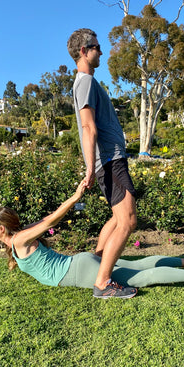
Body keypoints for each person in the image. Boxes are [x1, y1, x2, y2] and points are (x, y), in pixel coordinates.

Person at [0, 181, 184, 297]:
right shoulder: (18, 238)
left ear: (1, 228)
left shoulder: (19, 240)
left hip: (75, 272)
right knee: (136, 264)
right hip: (78, 263)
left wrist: (74, 198)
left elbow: (51, 220)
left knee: (139, 277)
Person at [67, 28, 138, 298]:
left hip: (110, 159)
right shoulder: (84, 81)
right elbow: (88, 127)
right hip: (108, 160)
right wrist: (90, 168)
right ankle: (103, 282)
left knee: (118, 218)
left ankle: (97, 265)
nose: (102, 51)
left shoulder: (88, 82)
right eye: (97, 47)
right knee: (128, 221)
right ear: (84, 51)